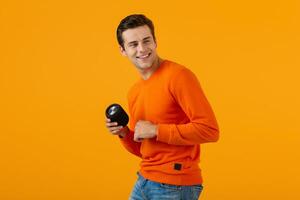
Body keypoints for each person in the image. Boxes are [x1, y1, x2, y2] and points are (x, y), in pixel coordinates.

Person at [105, 14, 219, 200]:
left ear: (155, 42)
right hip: (144, 180)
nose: (142, 49)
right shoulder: (134, 92)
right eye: (133, 44)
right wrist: (124, 133)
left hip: (175, 184)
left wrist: (157, 130)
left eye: (146, 41)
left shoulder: (178, 76)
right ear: (123, 50)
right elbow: (144, 149)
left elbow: (210, 130)